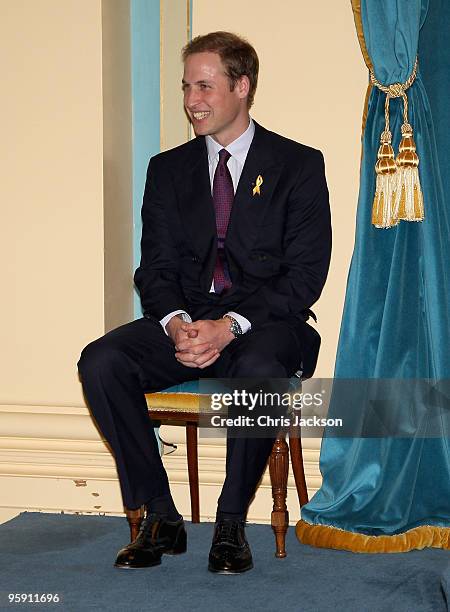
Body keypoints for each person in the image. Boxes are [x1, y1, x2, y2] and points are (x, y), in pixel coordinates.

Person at [78, 31, 331, 574]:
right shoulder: (167, 169)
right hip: (187, 321)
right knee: (102, 360)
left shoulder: (298, 165)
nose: (192, 99)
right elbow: (156, 266)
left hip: (265, 322)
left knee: (261, 367)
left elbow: (305, 276)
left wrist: (230, 325)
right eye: (187, 86)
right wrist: (176, 324)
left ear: (242, 87)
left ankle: (231, 523)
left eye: (205, 86)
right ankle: (161, 514)